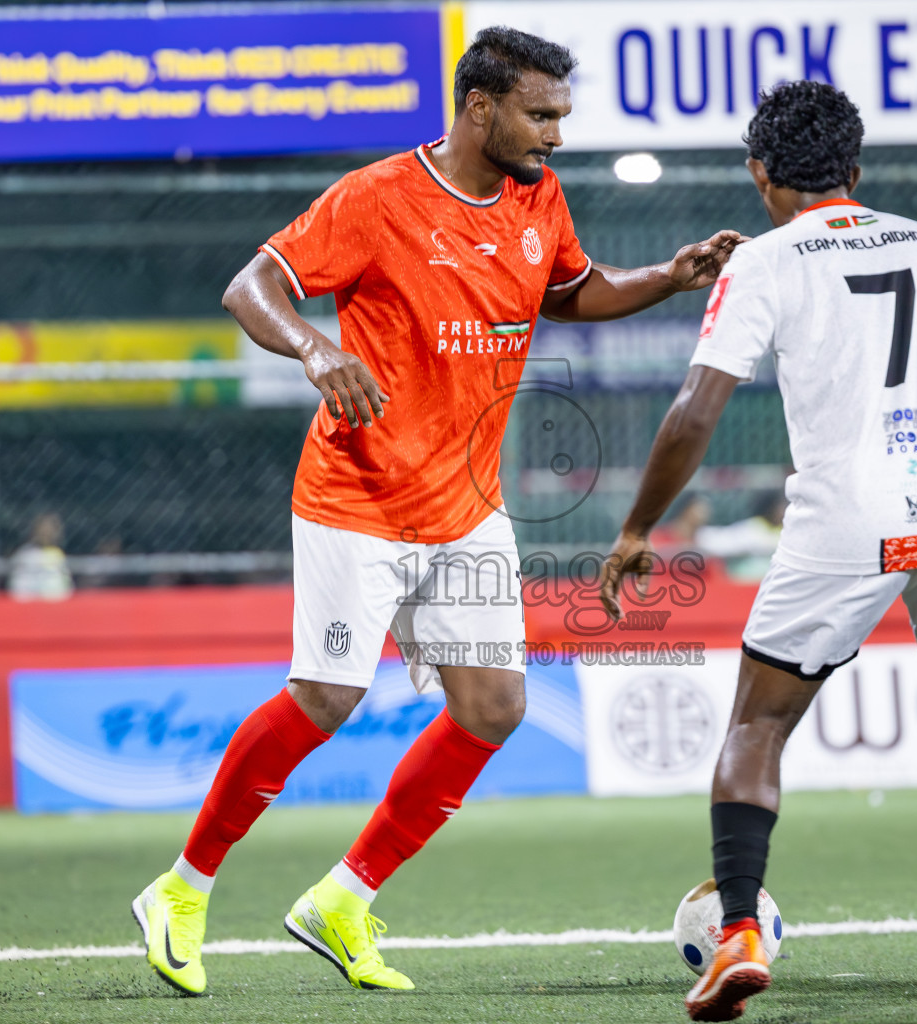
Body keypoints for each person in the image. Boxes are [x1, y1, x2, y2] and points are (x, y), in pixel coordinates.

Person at [130, 26, 744, 998]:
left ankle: (344, 897)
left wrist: (668, 277)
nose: (556, 134)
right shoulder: (376, 198)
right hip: (356, 496)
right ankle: (182, 888)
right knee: (328, 697)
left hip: (466, 507)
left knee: (495, 706)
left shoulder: (541, 195)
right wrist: (313, 349)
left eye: (562, 116)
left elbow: (573, 294)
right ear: (480, 107)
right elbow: (252, 286)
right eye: (541, 115)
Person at [599, 82, 917, 1021]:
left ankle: (739, 930)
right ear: (856, 172)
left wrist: (635, 531)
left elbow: (695, 408)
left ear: (759, 174)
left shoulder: (767, 262)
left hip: (849, 514)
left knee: (757, 727)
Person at [7, 512, 73, 601]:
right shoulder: (25, 554)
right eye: (43, 529)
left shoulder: (59, 554)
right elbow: (18, 585)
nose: (46, 533)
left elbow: (66, 585)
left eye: (51, 530)